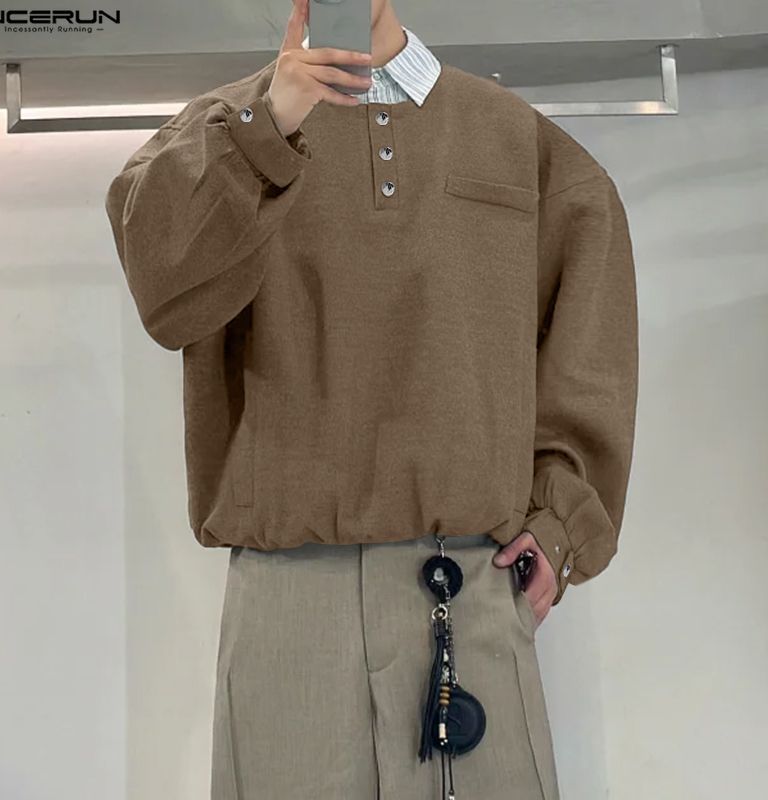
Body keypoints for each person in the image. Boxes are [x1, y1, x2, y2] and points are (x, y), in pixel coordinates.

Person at [104, 0, 639, 797]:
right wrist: (265, 128)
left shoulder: (508, 133)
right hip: (289, 603)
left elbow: (590, 333)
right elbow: (167, 300)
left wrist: (562, 523)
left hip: (469, 585)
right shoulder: (218, 132)